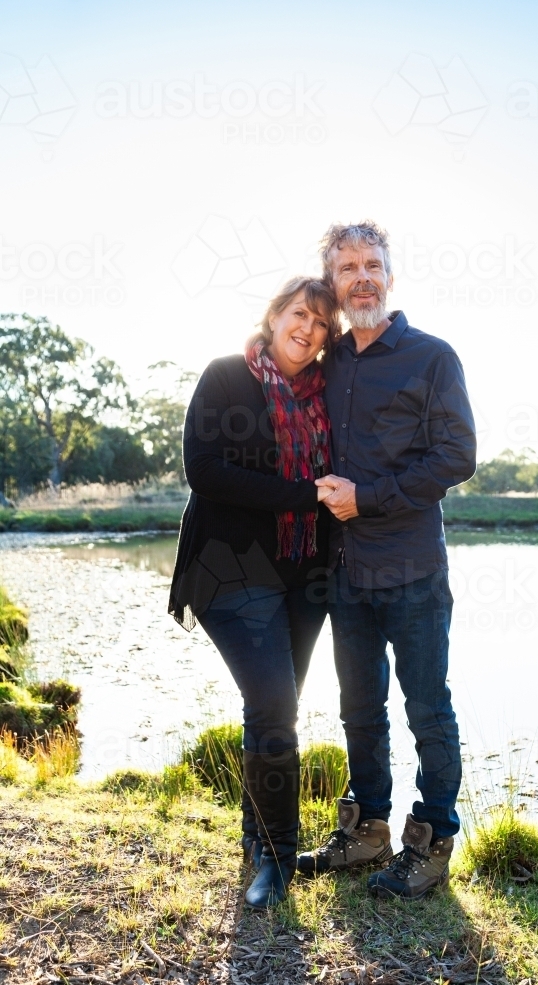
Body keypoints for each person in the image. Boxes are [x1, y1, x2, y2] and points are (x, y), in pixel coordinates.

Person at [296, 222, 477, 899]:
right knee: (358, 710)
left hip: (413, 572)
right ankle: (365, 832)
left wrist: (367, 498)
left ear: (390, 276)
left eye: (372, 264)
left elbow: (456, 457)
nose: (362, 276)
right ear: (333, 283)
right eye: (347, 267)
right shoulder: (328, 363)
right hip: (345, 574)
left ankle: (429, 845)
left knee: (428, 709)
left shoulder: (432, 357)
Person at [169, 276, 340, 909]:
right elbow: (205, 470)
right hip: (229, 569)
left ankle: (253, 834)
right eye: (301, 314)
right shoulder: (226, 377)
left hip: (304, 573)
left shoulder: (328, 395)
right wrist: (304, 494)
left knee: (271, 708)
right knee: (273, 702)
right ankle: (278, 854)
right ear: (274, 316)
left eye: (323, 323)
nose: (309, 329)